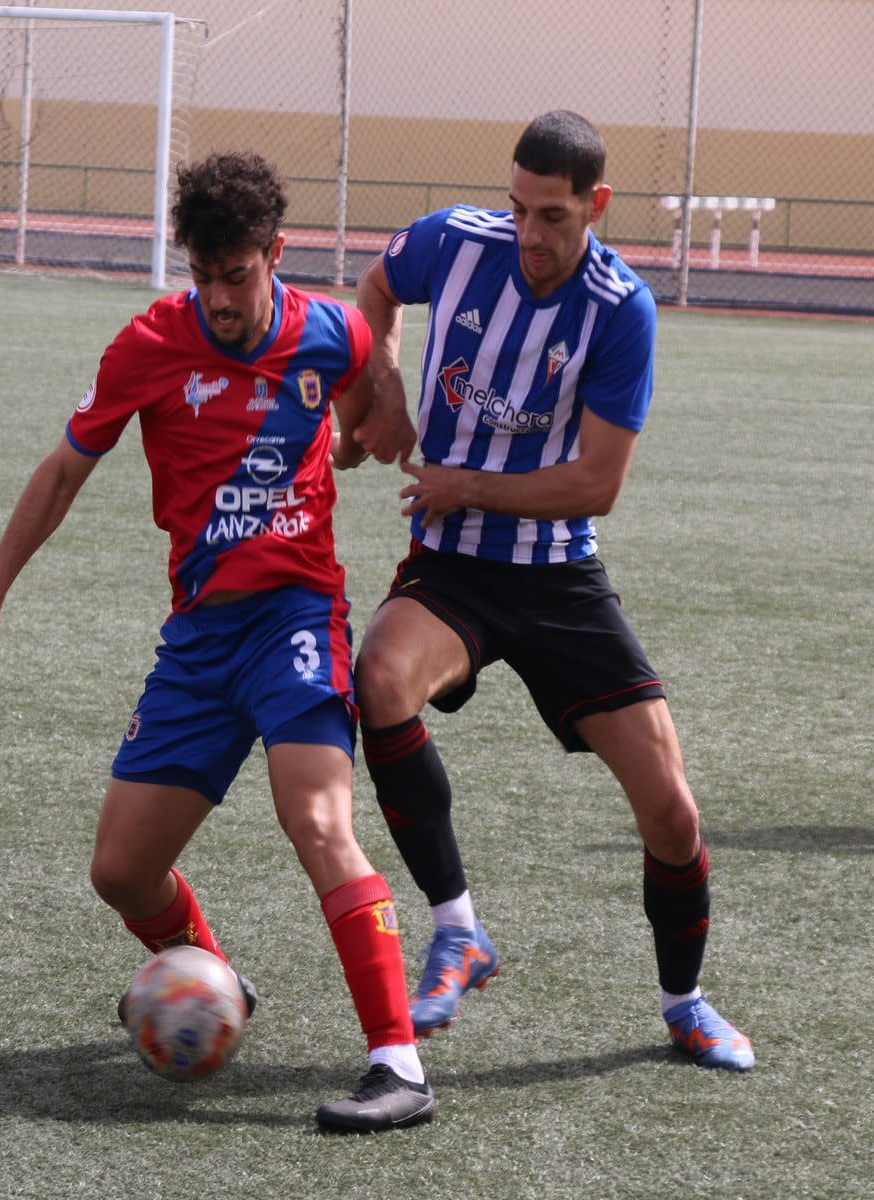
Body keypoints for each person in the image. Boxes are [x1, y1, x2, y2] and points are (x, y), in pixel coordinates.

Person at [0, 151, 436, 1132]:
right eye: (202, 276)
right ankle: (214, 978)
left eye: (236, 276)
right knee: (120, 874)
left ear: (274, 256)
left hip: (297, 619)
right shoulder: (149, 345)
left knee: (320, 825)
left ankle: (398, 1064)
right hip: (200, 643)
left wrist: (365, 423)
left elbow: (376, 389)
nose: (218, 299)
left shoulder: (324, 330)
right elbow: (61, 475)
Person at [339, 110, 754, 1071]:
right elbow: (376, 286)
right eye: (520, 207)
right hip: (455, 566)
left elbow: (597, 482)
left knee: (672, 813)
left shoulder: (621, 309)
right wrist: (386, 386)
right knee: (382, 680)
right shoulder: (457, 241)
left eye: (554, 215)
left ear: (596, 206)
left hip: (559, 574)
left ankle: (684, 1002)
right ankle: (458, 930)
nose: (530, 232)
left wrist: (463, 483)